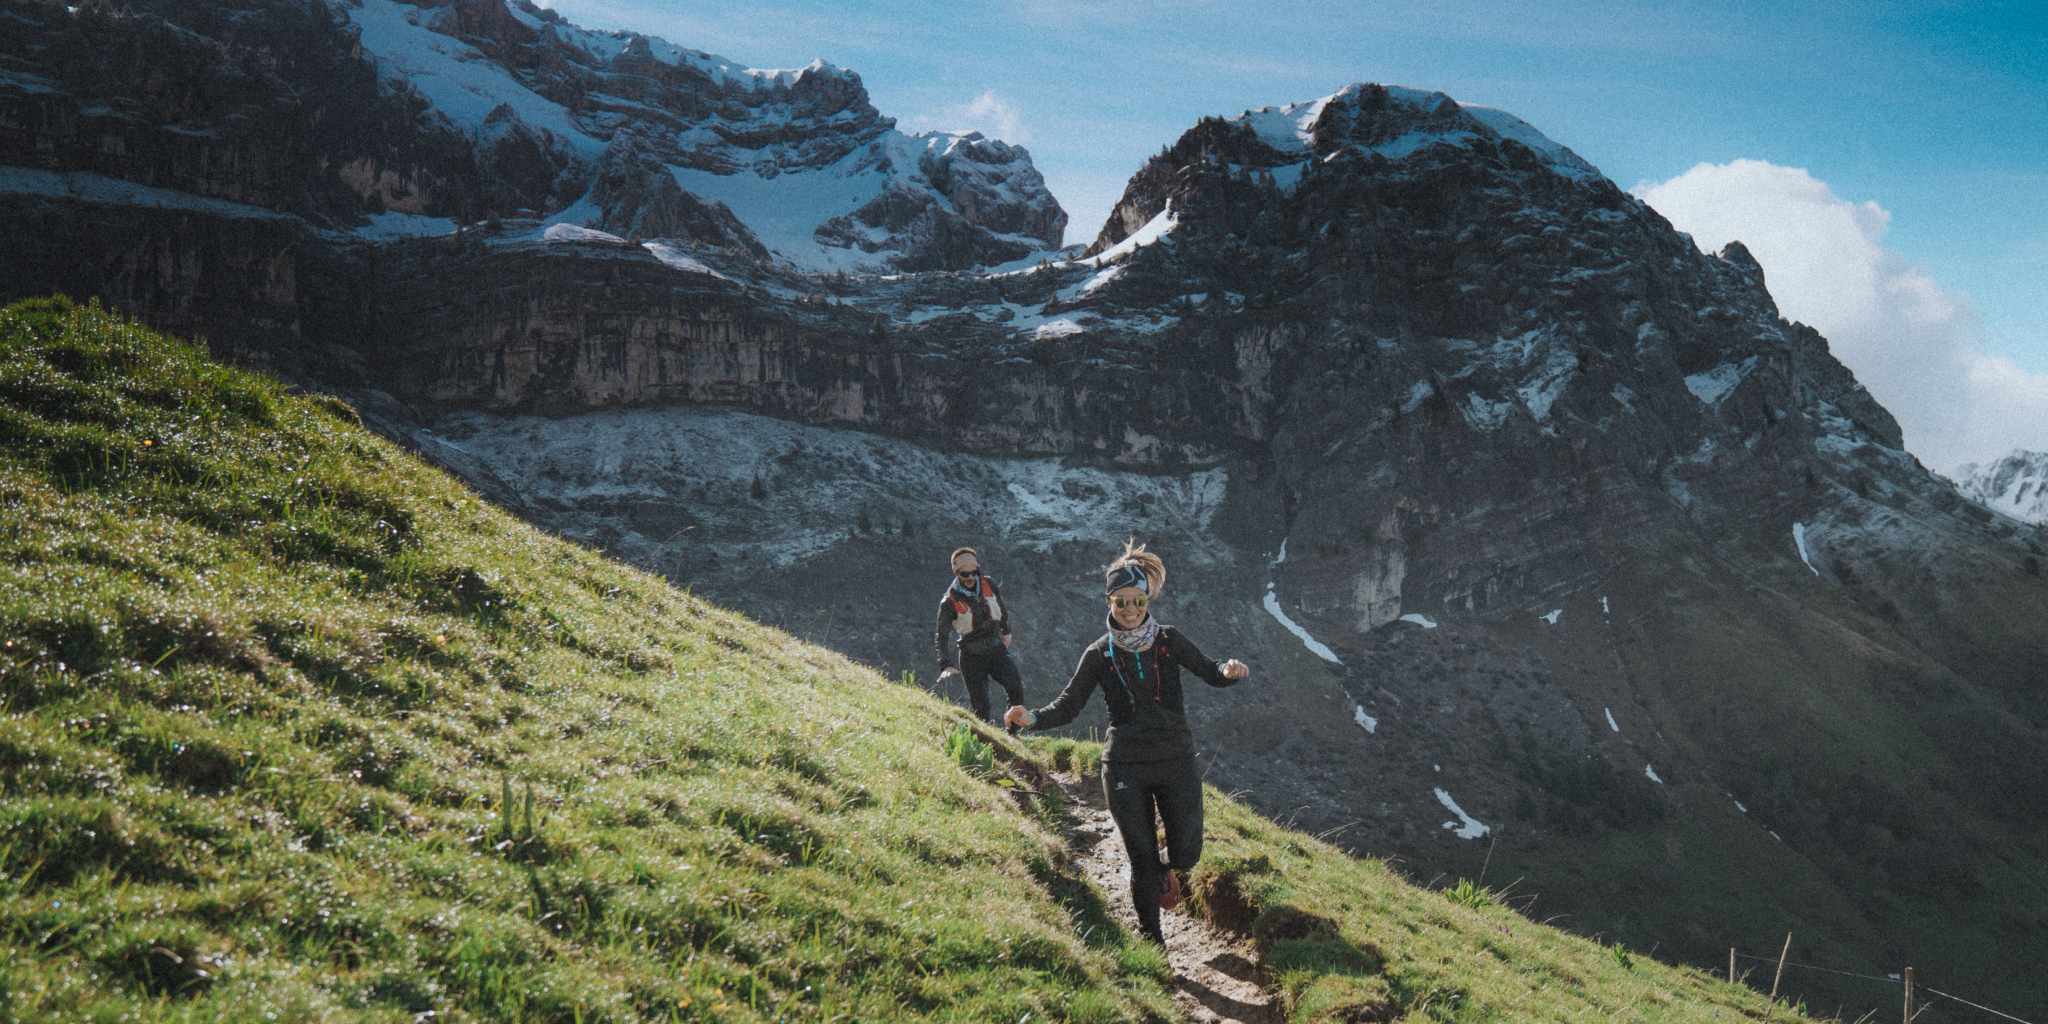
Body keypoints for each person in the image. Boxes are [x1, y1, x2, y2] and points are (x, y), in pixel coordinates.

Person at [1004, 540, 1249, 946]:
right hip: (1124, 767)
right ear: (1109, 602)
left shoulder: (1169, 640)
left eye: (1137, 600)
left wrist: (1229, 669)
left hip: (1175, 758)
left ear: (1147, 598)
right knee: (1139, 857)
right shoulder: (1098, 654)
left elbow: (1210, 671)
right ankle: (1154, 946)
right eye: (1121, 602)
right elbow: (1068, 706)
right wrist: (1031, 718)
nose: (1130, 609)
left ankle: (1162, 868)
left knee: (1187, 852)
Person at [934, 547, 1024, 729]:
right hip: (971, 657)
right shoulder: (949, 601)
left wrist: (1006, 632)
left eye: (973, 572)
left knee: (1016, 688)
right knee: (981, 708)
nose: (969, 577)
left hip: (996, 648)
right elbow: (941, 636)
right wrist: (946, 664)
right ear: (956, 572)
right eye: (964, 574)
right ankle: (986, 741)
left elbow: (1000, 607)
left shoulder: (988, 584)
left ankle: (1012, 734)